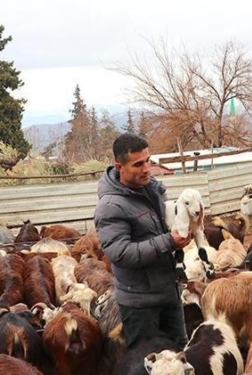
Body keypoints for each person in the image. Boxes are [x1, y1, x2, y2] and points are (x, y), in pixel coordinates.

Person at [94, 133, 192, 348]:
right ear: (119, 166)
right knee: (147, 363)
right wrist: (168, 242)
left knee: (179, 356)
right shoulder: (111, 206)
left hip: (168, 293)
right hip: (140, 305)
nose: (146, 168)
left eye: (148, 160)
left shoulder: (152, 189)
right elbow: (120, 253)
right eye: (138, 164)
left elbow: (161, 227)